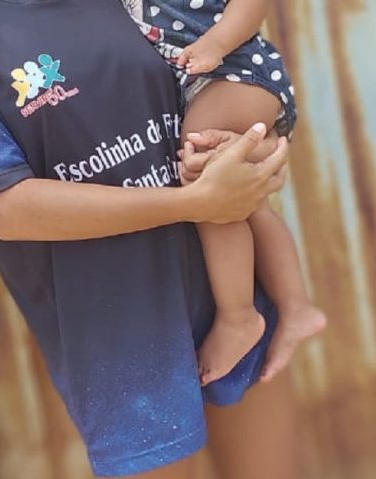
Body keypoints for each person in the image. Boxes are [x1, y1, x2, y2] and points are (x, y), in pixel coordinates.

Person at [0, 0, 301, 479]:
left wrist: (257, 151)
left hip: (233, 299)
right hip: (117, 339)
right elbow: (9, 209)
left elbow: (226, 70)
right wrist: (197, 202)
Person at [123, 0, 326, 385]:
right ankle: (296, 307)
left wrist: (217, 43)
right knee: (253, 208)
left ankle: (238, 317)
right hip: (203, 84)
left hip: (236, 72)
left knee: (207, 183)